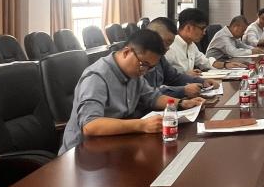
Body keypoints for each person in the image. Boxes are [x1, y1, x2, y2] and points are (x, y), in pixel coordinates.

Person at [58, 30, 207, 155]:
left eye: (150, 67)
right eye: (144, 65)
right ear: (127, 52)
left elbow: (152, 97)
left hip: (114, 145)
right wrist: (142, 125)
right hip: (82, 154)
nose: (145, 71)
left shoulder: (134, 72)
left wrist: (182, 103)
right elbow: (90, 125)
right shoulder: (97, 78)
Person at [144, 17, 219, 99]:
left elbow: (175, 77)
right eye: (166, 43)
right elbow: (147, 93)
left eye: (169, 44)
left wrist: (202, 82)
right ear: (151, 36)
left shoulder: (160, 57)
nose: (167, 48)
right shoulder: (138, 60)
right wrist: (183, 91)